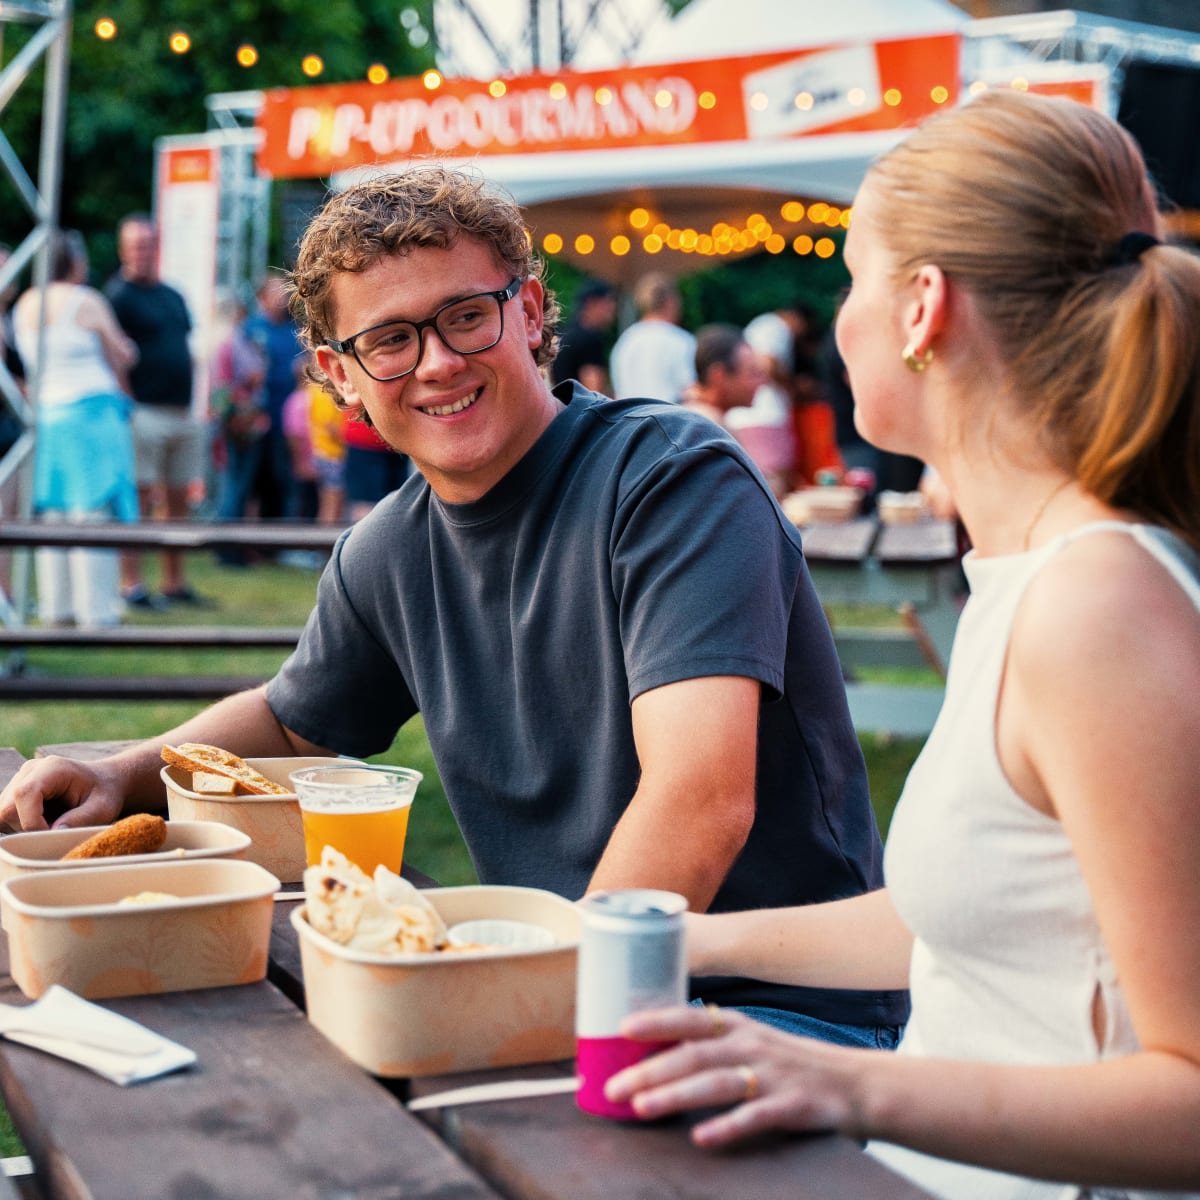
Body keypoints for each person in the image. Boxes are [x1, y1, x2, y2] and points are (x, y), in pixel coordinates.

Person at [0, 165, 908, 1045]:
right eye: (391, 340)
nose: (437, 362)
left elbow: (701, 801)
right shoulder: (390, 549)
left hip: (771, 1008)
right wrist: (128, 772)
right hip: (548, 979)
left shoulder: (669, 478)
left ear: (532, 312)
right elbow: (290, 724)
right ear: (338, 374)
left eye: (467, 317)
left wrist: (533, 998)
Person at [601, 90, 1200, 1200]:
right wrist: (674, 944)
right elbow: (978, 919)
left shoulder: (1097, 607)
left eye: (850, 280)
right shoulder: (1034, 577)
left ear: (923, 306)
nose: (840, 319)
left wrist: (844, 1085)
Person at [12, 230, 138, 627]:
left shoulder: (25, 304)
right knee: (92, 515)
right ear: (77, 262)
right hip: (90, 416)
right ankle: (96, 611)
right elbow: (123, 352)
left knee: (54, 515)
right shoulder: (87, 300)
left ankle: (57, 607)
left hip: (47, 416)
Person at [105, 213, 210, 609]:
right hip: (143, 411)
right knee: (140, 501)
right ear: (123, 250)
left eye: (147, 244)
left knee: (178, 503)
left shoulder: (172, 295)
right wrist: (126, 403)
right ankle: (132, 585)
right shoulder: (117, 296)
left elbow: (187, 349)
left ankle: (174, 582)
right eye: (135, 246)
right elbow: (111, 354)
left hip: (181, 411)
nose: (142, 253)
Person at [244, 271, 304, 522]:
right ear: (262, 297)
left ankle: (279, 537)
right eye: (276, 291)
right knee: (253, 479)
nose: (282, 297)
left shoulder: (294, 331)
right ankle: (244, 541)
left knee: (284, 477)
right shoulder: (252, 329)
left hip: (287, 419)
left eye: (285, 292)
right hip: (257, 418)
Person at [608, 272, 696, 403]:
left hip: (629, 419)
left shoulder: (625, 341)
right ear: (670, 302)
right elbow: (689, 390)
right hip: (670, 419)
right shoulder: (680, 341)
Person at [681, 324, 765, 429]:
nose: (762, 382)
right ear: (718, 376)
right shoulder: (707, 426)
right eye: (753, 374)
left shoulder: (690, 416)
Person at [549, 277, 617, 395]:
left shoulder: (563, 333)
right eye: (609, 300)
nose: (613, 307)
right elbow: (595, 393)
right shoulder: (589, 339)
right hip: (582, 409)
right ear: (592, 302)